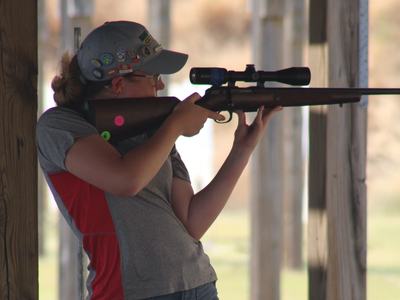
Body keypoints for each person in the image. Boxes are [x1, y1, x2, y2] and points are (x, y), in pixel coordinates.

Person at [36, 20, 281, 300]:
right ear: (117, 83)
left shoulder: (154, 130)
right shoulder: (59, 126)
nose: (161, 83)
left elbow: (191, 221)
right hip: (130, 291)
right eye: (153, 76)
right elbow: (125, 180)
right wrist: (174, 125)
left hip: (198, 285)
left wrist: (242, 149)